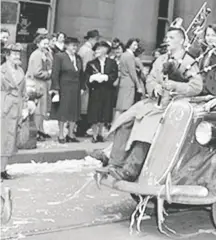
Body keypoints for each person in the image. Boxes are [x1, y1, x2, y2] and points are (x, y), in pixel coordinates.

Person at [102, 22, 203, 182]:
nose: (167, 40)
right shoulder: (161, 59)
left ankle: (131, 170)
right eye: (167, 37)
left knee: (147, 126)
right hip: (153, 102)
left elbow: (197, 87)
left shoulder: (188, 61)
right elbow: (150, 78)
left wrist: (176, 85)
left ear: (182, 41)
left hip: (172, 106)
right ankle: (114, 163)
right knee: (126, 119)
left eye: (171, 38)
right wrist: (154, 87)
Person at [51, 37, 85, 143]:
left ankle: (71, 134)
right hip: (64, 87)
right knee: (63, 111)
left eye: (76, 45)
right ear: (66, 45)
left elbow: (81, 74)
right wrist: (56, 88)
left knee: (74, 111)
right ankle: (61, 135)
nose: (75, 47)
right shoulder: (59, 56)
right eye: (72, 45)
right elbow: (55, 73)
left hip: (76, 87)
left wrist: (82, 87)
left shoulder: (78, 58)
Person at [1, 44, 28, 180]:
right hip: (4, 108)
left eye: (19, 54)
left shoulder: (20, 71)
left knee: (10, 141)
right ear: (7, 56)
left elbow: (23, 91)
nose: (18, 56)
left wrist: (25, 107)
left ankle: (2, 170)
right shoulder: (1, 71)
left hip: (16, 108)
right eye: (14, 54)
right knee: (2, 139)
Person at [85, 41, 119, 143]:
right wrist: (92, 78)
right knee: (95, 113)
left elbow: (114, 75)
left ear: (105, 50)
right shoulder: (91, 64)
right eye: (96, 49)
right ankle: (94, 135)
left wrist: (106, 77)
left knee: (104, 113)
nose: (97, 51)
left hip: (107, 91)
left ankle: (100, 133)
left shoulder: (112, 63)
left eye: (99, 49)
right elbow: (86, 77)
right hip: (96, 91)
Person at [25, 35, 52, 141]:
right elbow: (37, 72)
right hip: (37, 84)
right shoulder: (37, 55)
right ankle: (36, 131)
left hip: (42, 84)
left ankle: (41, 129)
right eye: (44, 43)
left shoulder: (45, 53)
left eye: (47, 43)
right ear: (38, 43)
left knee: (42, 109)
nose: (46, 45)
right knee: (38, 109)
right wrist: (49, 73)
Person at [115, 38, 144, 120]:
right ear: (129, 45)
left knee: (120, 107)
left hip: (123, 83)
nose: (136, 47)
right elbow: (132, 72)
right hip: (129, 84)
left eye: (137, 45)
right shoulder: (130, 56)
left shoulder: (123, 55)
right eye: (134, 45)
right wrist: (138, 86)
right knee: (125, 107)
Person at [78, 30, 100, 132]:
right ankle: (81, 129)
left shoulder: (83, 49)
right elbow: (87, 67)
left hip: (82, 79)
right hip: (85, 80)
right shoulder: (88, 51)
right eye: (96, 39)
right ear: (92, 39)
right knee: (84, 106)